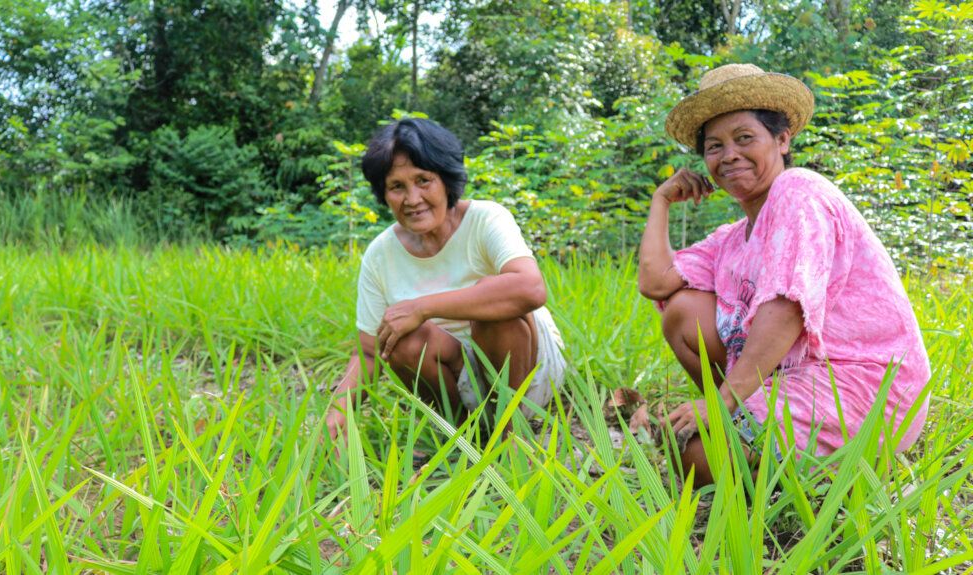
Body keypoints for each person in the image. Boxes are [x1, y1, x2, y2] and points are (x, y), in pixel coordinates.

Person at [638, 63, 930, 486]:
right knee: (682, 310)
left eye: (744, 138)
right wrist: (661, 201)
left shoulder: (799, 191)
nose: (729, 155)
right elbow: (656, 283)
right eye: (714, 146)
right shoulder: (731, 238)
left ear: (781, 139)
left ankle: (806, 463)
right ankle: (758, 436)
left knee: (696, 457)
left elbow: (786, 307)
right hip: (794, 378)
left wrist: (722, 401)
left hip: (863, 383)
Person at [323, 117, 566, 447]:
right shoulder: (381, 254)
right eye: (397, 187)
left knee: (490, 302)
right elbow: (368, 353)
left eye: (423, 180)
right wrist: (337, 412)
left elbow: (530, 288)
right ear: (384, 194)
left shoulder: (485, 219)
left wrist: (423, 307)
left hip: (527, 367)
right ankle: (463, 436)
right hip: (455, 377)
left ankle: (512, 437)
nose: (412, 199)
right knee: (402, 340)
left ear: (447, 179)